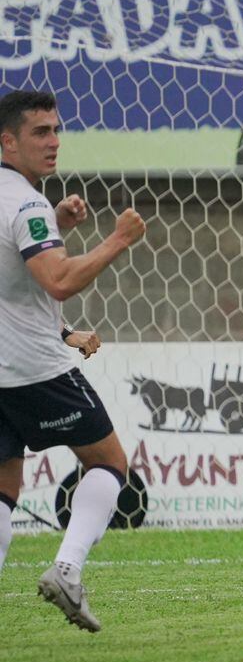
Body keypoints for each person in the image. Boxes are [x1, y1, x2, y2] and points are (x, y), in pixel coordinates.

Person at [0, 90, 147, 629]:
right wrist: (117, 241)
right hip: (35, 371)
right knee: (109, 463)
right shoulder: (26, 203)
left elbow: (12, 285)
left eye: (56, 130)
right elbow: (57, 280)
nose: (54, 142)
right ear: (7, 140)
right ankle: (66, 568)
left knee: (3, 488)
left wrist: (58, 228)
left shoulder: (21, 204)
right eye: (40, 132)